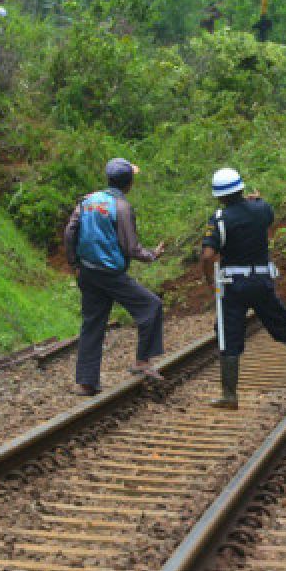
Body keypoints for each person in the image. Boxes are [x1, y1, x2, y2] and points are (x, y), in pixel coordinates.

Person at [200, 167, 286, 409]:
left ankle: (230, 395)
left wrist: (209, 279)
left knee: (229, 334)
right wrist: (256, 200)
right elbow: (263, 213)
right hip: (263, 281)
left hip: (233, 285)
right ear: (242, 188)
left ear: (219, 195)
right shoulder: (262, 209)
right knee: (283, 325)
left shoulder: (219, 219)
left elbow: (207, 255)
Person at [64, 158, 167, 396]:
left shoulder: (87, 201)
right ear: (128, 183)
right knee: (151, 305)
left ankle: (86, 382)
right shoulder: (121, 207)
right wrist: (152, 255)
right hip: (110, 273)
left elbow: (70, 231)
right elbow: (131, 247)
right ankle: (142, 363)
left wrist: (74, 263)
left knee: (92, 323)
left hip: (88, 272)